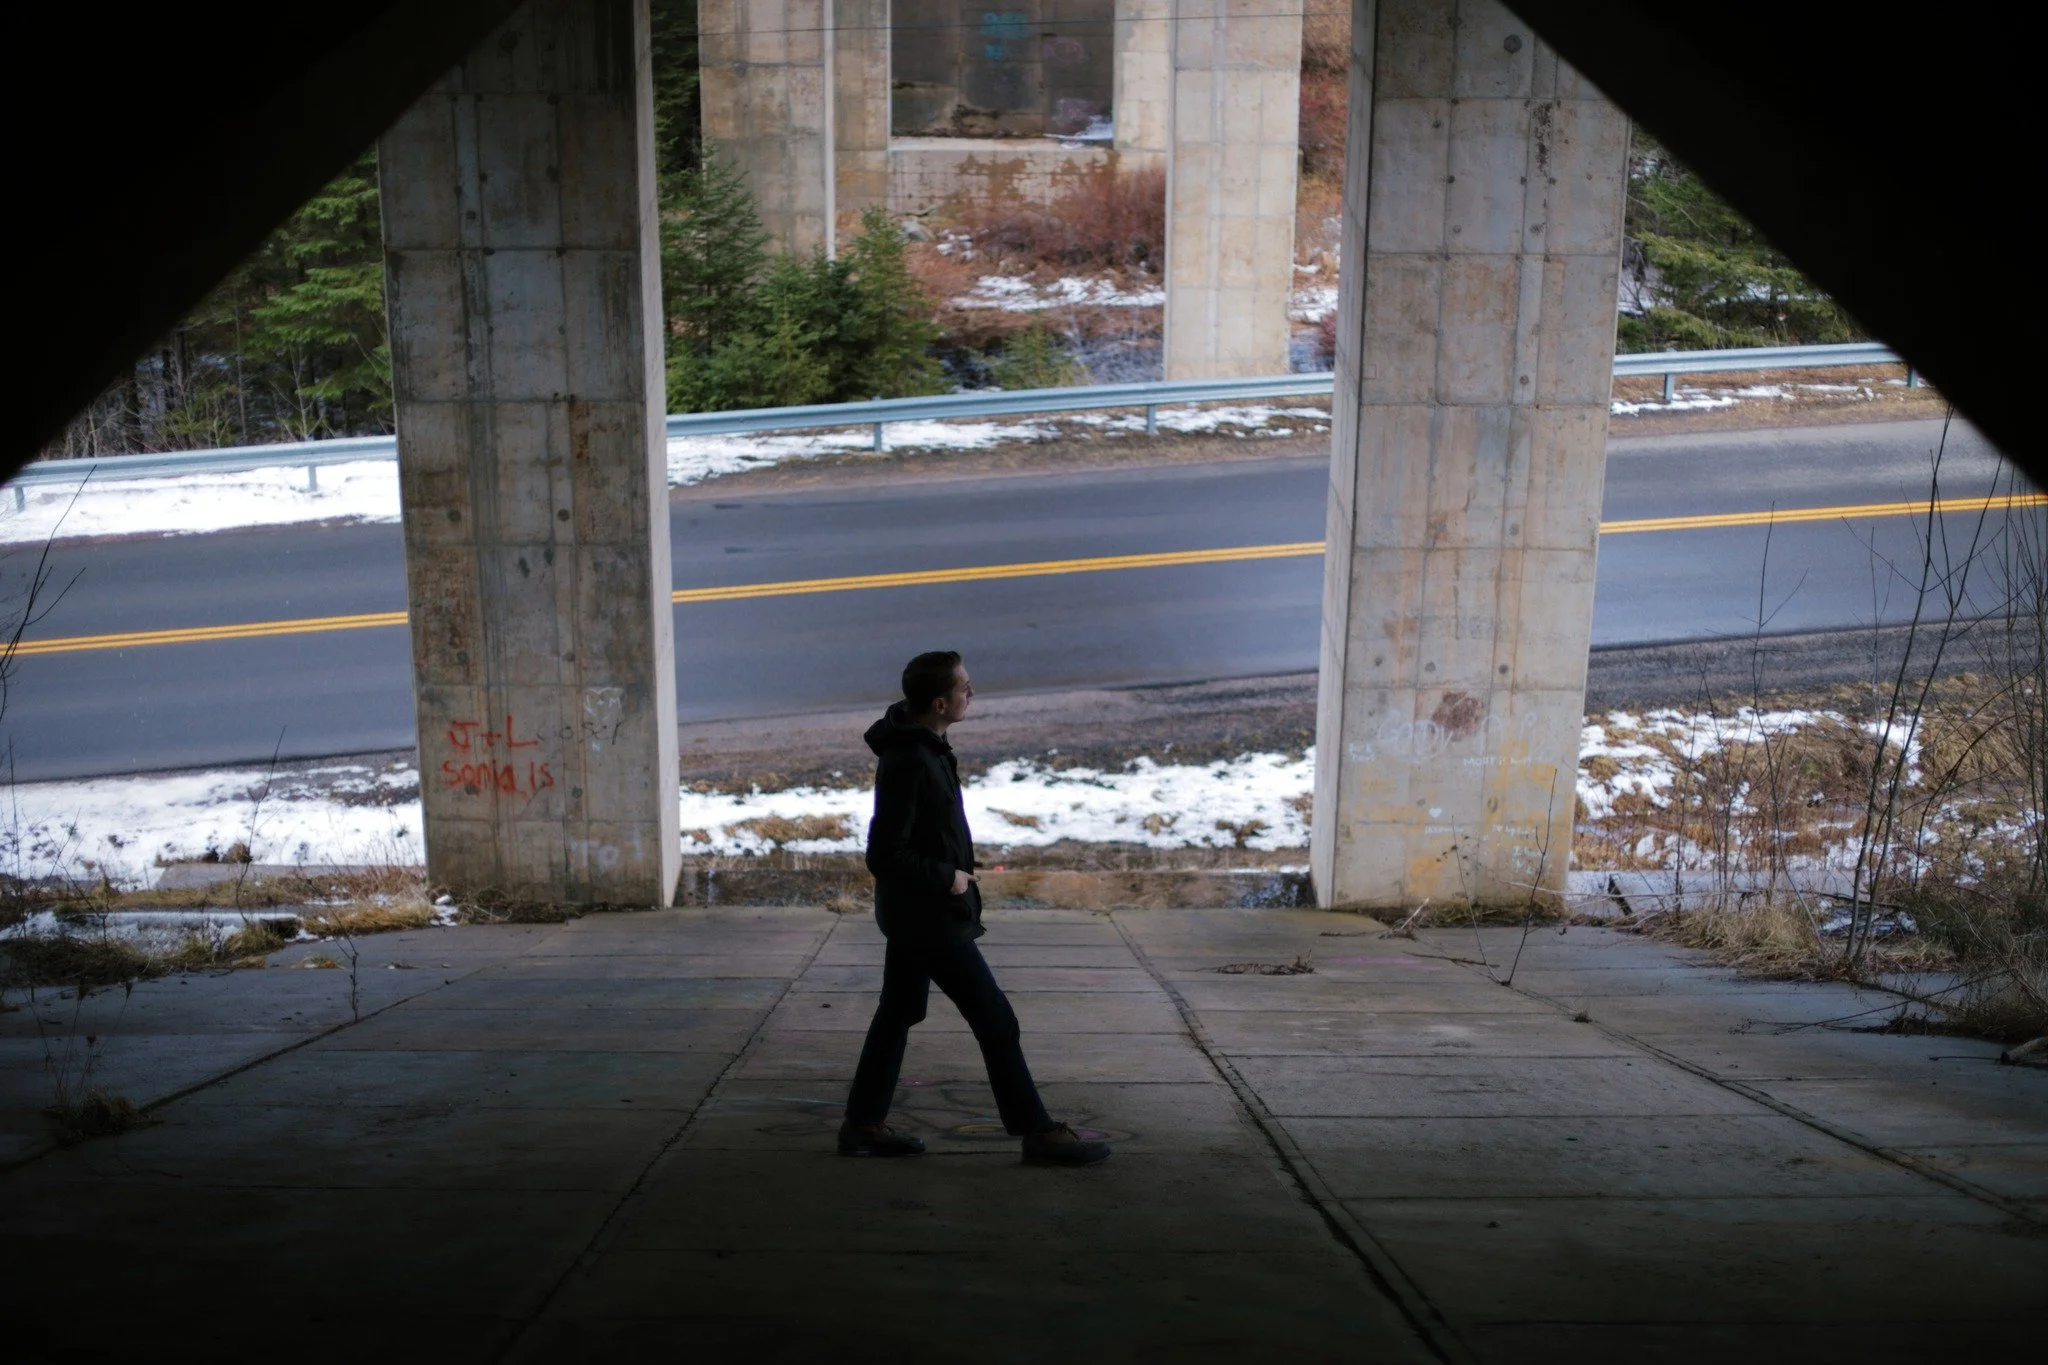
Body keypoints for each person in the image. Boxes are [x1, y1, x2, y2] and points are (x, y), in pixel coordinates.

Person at [839, 650, 1111, 1167]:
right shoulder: (910, 758)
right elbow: (884, 853)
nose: (972, 693)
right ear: (940, 702)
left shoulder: (928, 745)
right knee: (994, 1018)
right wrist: (949, 877)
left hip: (917, 914)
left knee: (897, 1014)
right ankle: (1037, 1131)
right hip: (929, 918)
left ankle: (862, 1124)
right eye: (965, 687)